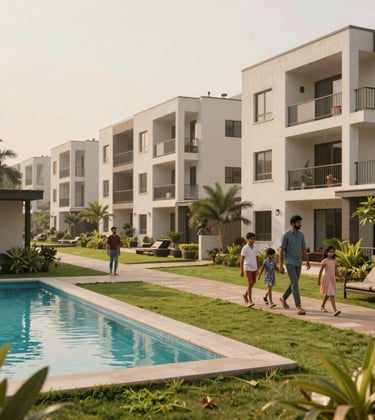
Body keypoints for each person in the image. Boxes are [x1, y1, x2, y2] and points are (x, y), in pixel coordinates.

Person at [279, 215, 310, 315]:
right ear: (292, 223)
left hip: (299, 262)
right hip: (289, 262)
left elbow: (304, 249)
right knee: (295, 283)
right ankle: (298, 306)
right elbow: (281, 250)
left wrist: (307, 261)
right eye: (298, 223)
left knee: (294, 282)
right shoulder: (286, 235)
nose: (300, 224)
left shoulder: (301, 234)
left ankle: (283, 298)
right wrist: (280, 265)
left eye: (300, 223)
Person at [317, 246, 342, 316]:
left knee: (328, 294)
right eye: (330, 252)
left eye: (333, 252)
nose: (332, 253)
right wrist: (318, 280)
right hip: (327, 279)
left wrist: (340, 277)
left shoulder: (334, 261)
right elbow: (320, 271)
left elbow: (336, 271)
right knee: (331, 294)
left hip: (332, 279)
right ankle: (335, 310)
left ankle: (322, 306)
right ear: (327, 252)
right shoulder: (325, 261)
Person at [240, 232, 259, 308]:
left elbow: (257, 258)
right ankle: (250, 301)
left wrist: (258, 268)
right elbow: (241, 260)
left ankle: (245, 295)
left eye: (254, 239)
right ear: (247, 239)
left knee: (253, 283)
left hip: (254, 268)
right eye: (251, 239)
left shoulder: (256, 248)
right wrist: (241, 270)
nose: (253, 240)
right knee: (250, 283)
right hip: (247, 267)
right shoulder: (245, 248)